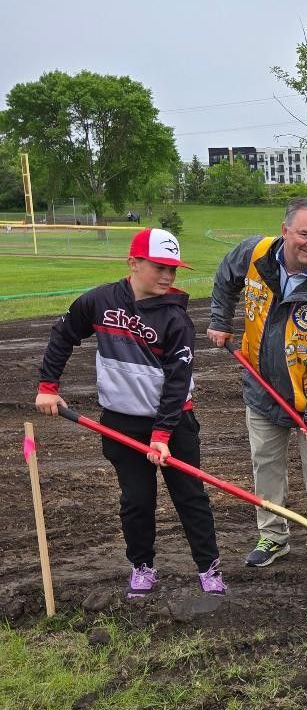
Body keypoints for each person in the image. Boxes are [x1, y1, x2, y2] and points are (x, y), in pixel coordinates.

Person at [35, 228, 225, 597]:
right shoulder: (99, 301)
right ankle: (142, 567)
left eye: (173, 269)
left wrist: (162, 435)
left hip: (173, 422)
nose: (168, 277)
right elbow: (62, 335)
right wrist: (48, 387)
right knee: (136, 500)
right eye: (160, 268)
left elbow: (176, 380)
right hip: (120, 421)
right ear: (134, 263)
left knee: (190, 497)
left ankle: (209, 568)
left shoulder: (176, 319)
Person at [207, 198, 307, 572]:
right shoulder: (255, 253)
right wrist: (221, 319)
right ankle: (272, 536)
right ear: (285, 230)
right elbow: (226, 275)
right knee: (266, 465)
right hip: (260, 387)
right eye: (304, 234)